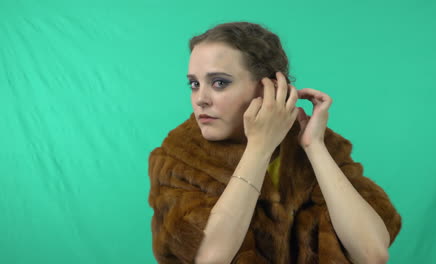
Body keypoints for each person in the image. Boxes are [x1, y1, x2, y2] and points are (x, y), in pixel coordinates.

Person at [147, 21, 402, 264]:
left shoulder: (319, 145)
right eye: (194, 84)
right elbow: (211, 258)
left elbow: (372, 254)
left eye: (219, 83)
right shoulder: (178, 157)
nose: (200, 99)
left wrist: (315, 147)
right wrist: (259, 148)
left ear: (270, 88)